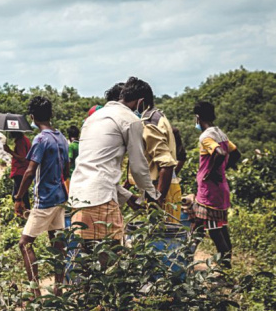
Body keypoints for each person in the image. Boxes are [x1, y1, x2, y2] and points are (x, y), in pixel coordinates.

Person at [69, 77, 159, 245]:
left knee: (89, 250)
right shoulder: (130, 120)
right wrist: (152, 195)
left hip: (78, 194)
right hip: (100, 199)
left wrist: (128, 196)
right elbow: (138, 167)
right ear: (140, 102)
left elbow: (95, 167)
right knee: (112, 251)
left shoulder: (93, 118)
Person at [14, 96, 69, 298]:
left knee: (25, 243)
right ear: (51, 114)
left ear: (32, 117)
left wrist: (18, 198)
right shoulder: (61, 138)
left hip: (44, 199)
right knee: (57, 244)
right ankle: (59, 289)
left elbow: (29, 172)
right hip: (60, 197)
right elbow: (66, 170)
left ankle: (35, 293)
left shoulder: (40, 140)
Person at [191, 101, 240, 268]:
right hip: (219, 189)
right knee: (204, 226)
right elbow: (235, 153)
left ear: (198, 117)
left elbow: (220, 153)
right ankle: (186, 257)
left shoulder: (206, 137)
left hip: (210, 191)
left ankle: (225, 268)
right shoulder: (220, 133)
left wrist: (210, 173)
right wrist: (222, 169)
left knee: (215, 232)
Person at [130, 85, 179, 220]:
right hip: (165, 186)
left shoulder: (149, 121)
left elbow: (166, 163)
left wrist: (158, 199)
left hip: (160, 187)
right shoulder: (157, 116)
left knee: (161, 231)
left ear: (140, 102)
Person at [5, 132, 32, 209]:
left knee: (20, 197)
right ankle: (25, 212)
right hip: (22, 171)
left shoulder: (20, 141)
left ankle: (25, 213)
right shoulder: (25, 139)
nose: (10, 133)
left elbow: (22, 158)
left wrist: (9, 151)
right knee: (21, 195)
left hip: (20, 171)